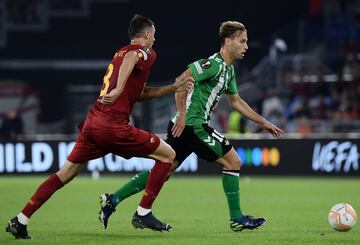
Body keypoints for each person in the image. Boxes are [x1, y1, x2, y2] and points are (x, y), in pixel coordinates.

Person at [5, 14, 193, 239]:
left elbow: (140, 93)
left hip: (93, 123)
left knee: (64, 173)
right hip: (113, 126)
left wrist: (172, 87)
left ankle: (21, 219)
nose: (154, 40)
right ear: (146, 34)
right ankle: (143, 212)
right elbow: (133, 58)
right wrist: (118, 88)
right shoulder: (144, 52)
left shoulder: (118, 54)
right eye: (154, 35)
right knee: (168, 156)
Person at [99, 21, 284, 232]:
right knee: (233, 161)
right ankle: (237, 217)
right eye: (242, 41)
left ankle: (113, 200)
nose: (246, 46)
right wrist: (183, 115)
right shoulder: (211, 64)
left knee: (165, 170)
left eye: (246, 42)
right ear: (228, 41)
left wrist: (264, 122)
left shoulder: (228, 72)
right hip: (192, 126)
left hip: (186, 127)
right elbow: (181, 80)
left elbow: (236, 103)